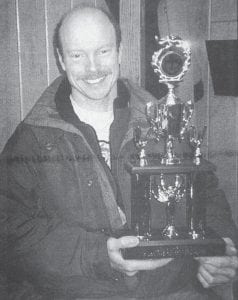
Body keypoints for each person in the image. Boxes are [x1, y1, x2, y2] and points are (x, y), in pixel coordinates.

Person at [0, 5, 237, 299]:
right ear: (61, 59)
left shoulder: (164, 118)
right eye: (77, 55)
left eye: (103, 51)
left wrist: (220, 248)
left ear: (120, 51)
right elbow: (8, 228)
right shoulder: (33, 136)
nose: (93, 68)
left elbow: (206, 193)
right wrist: (98, 255)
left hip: (172, 290)